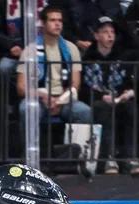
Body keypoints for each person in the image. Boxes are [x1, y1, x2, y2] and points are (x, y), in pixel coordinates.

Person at [17, 5, 93, 142]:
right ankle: (28, 155)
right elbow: (21, 88)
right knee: (26, 110)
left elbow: (76, 84)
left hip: (64, 99)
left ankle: (78, 158)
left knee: (84, 111)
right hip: (38, 99)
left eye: (60, 20)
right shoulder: (30, 50)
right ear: (43, 23)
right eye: (52, 20)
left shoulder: (71, 48)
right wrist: (42, 95)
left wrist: (59, 100)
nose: (58, 24)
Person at [82, 16, 139, 175]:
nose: (110, 35)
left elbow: (127, 81)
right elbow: (85, 88)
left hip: (118, 98)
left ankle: (130, 157)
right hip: (98, 100)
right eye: (105, 32)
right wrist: (102, 96)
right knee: (103, 109)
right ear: (96, 36)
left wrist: (127, 93)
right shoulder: (89, 57)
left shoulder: (121, 56)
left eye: (112, 32)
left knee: (131, 108)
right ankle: (109, 158)